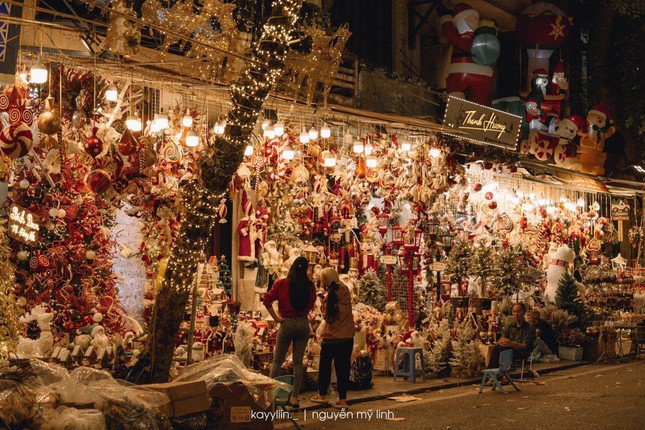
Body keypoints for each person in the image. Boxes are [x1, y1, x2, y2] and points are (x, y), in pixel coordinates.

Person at [263, 256, 316, 409]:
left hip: (287, 324)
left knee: (277, 361)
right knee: (298, 363)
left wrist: (277, 319)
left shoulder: (281, 284)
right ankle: (295, 398)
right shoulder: (309, 286)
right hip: (303, 323)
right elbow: (311, 303)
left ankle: (270, 397)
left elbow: (266, 300)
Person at [310, 268, 355, 409]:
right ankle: (342, 400)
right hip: (346, 337)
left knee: (325, 367)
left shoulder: (329, 300)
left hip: (331, 339)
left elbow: (328, 318)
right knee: (343, 369)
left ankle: (322, 395)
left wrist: (323, 300)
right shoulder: (345, 291)